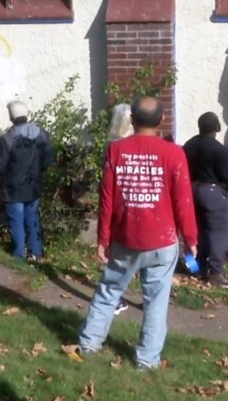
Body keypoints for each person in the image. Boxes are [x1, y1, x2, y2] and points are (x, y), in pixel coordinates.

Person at [78, 96, 198, 370]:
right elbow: (183, 201)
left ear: (132, 119)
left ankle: (89, 343)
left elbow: (107, 198)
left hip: (125, 239)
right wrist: (191, 238)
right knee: (156, 301)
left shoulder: (116, 150)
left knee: (109, 291)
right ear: (161, 121)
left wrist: (103, 238)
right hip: (162, 241)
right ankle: (147, 359)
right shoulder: (174, 153)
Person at [182, 112, 228, 286]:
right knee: (218, 233)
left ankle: (195, 268)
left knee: (198, 230)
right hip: (212, 193)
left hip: (192, 190)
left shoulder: (189, 145)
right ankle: (216, 272)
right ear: (218, 127)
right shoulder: (218, 149)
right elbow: (226, 175)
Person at [0, 101, 55, 261]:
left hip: (13, 188)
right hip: (34, 186)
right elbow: (48, 159)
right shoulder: (41, 134)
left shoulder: (8, 138)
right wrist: (38, 172)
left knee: (16, 221)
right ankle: (35, 253)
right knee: (32, 219)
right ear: (27, 114)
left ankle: (19, 254)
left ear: (11, 117)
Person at [108, 103, 134, 316]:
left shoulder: (111, 145)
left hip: (118, 205)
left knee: (119, 257)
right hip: (136, 204)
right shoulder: (132, 144)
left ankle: (116, 297)